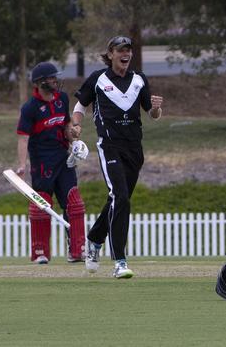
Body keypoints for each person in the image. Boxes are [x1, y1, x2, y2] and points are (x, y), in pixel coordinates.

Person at [72, 36, 163, 279]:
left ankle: (94, 239)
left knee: (118, 200)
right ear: (111, 53)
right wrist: (76, 126)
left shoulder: (139, 79)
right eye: (121, 50)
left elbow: (152, 114)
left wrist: (155, 108)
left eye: (128, 50)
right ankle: (119, 261)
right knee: (121, 197)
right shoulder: (98, 79)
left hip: (134, 148)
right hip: (109, 146)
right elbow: (80, 106)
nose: (126, 54)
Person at [16, 62, 87, 265]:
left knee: (74, 202)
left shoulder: (62, 99)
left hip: (63, 158)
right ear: (40, 82)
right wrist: (22, 165)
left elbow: (66, 124)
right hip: (42, 162)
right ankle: (40, 252)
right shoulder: (30, 108)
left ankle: (77, 250)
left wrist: (74, 139)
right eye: (52, 78)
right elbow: (23, 138)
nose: (56, 81)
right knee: (41, 205)